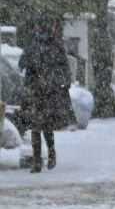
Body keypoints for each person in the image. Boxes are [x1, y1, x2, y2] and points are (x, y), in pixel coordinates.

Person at [18, 18, 73, 173]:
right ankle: (37, 160)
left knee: (44, 126)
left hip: (48, 91)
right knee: (37, 126)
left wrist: (64, 80)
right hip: (37, 90)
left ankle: (49, 153)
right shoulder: (34, 45)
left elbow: (64, 66)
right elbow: (22, 63)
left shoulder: (54, 46)